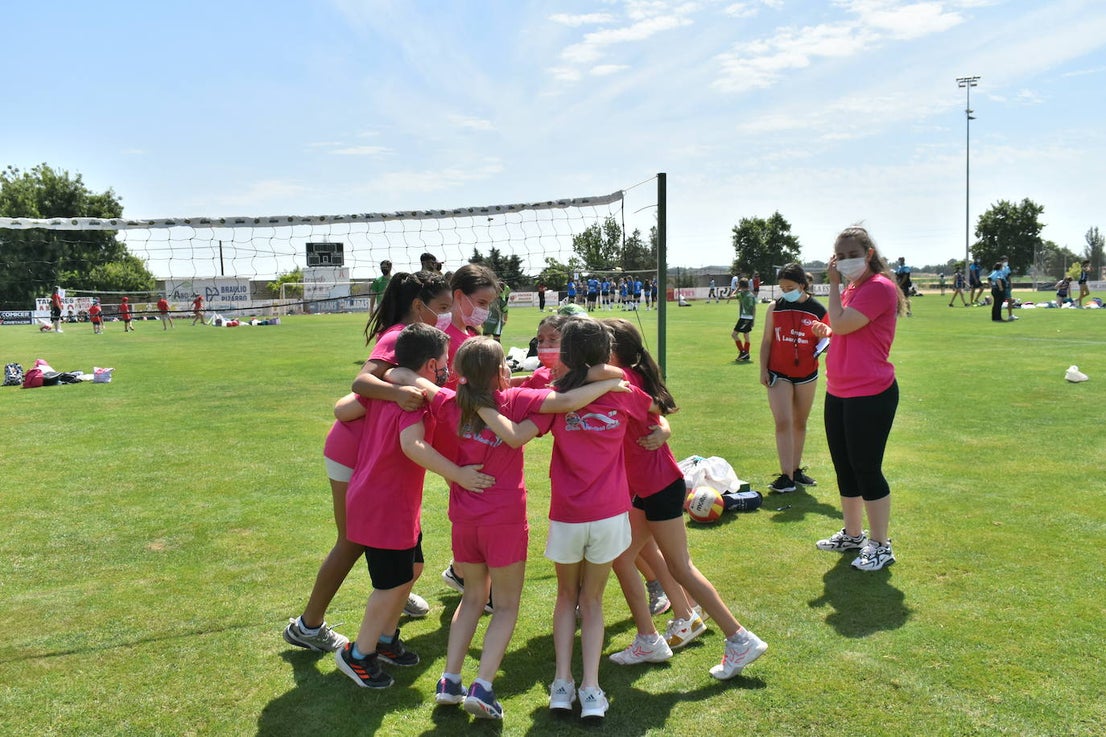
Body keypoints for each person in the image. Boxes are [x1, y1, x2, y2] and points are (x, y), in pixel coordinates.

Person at [395, 337, 625, 720]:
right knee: (504, 606)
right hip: (504, 520)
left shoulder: (450, 401)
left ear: (461, 373)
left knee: (471, 598)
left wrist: (405, 381)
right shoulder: (515, 400)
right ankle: (482, 687)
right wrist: (610, 385)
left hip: (464, 520)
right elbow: (567, 402)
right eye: (504, 365)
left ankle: (450, 681)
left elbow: (405, 373)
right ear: (500, 372)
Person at [284, 271, 454, 654]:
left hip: (373, 452)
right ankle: (309, 626)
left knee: (386, 536)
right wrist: (400, 392)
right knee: (353, 539)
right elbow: (360, 386)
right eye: (442, 308)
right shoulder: (398, 336)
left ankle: (392, 595)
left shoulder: (414, 341)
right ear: (418, 305)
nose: (445, 316)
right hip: (355, 452)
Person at [603, 318, 768, 679]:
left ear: (613, 352)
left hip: (661, 487)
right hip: (645, 490)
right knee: (621, 558)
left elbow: (652, 407)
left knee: (680, 567)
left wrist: (662, 425)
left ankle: (739, 639)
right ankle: (654, 636)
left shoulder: (622, 382)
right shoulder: (625, 378)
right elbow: (657, 411)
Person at [334, 323, 495, 690]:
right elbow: (412, 445)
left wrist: (393, 380)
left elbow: (343, 409)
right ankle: (357, 654)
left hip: (394, 501)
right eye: (444, 362)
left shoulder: (394, 390)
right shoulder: (411, 398)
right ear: (430, 365)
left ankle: (386, 638)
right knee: (391, 585)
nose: (447, 369)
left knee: (412, 568)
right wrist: (458, 474)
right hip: (383, 503)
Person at [810, 226, 905, 571]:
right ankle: (853, 534)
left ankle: (881, 544)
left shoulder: (878, 287)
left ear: (868, 254)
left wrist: (833, 286)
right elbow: (841, 327)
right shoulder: (852, 289)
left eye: (853, 255)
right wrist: (829, 331)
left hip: (871, 392)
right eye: (841, 255)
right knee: (845, 467)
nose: (846, 261)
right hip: (840, 389)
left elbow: (844, 323)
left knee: (867, 468)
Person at [759, 264, 829, 493]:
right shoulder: (774, 308)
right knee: (783, 421)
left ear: (802, 285)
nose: (785, 292)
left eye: (789, 287)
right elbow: (767, 341)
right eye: (781, 287)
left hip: (807, 373)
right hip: (778, 373)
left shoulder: (818, 310)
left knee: (800, 422)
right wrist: (763, 369)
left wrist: (824, 334)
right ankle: (786, 476)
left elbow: (829, 340)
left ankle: (796, 470)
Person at [731, 278, 756, 362]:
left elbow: (731, 296)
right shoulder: (751, 295)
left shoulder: (741, 294)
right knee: (746, 336)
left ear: (740, 286)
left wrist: (736, 289)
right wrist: (753, 320)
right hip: (750, 318)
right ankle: (746, 354)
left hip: (744, 318)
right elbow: (754, 308)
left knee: (734, 335)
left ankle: (743, 352)